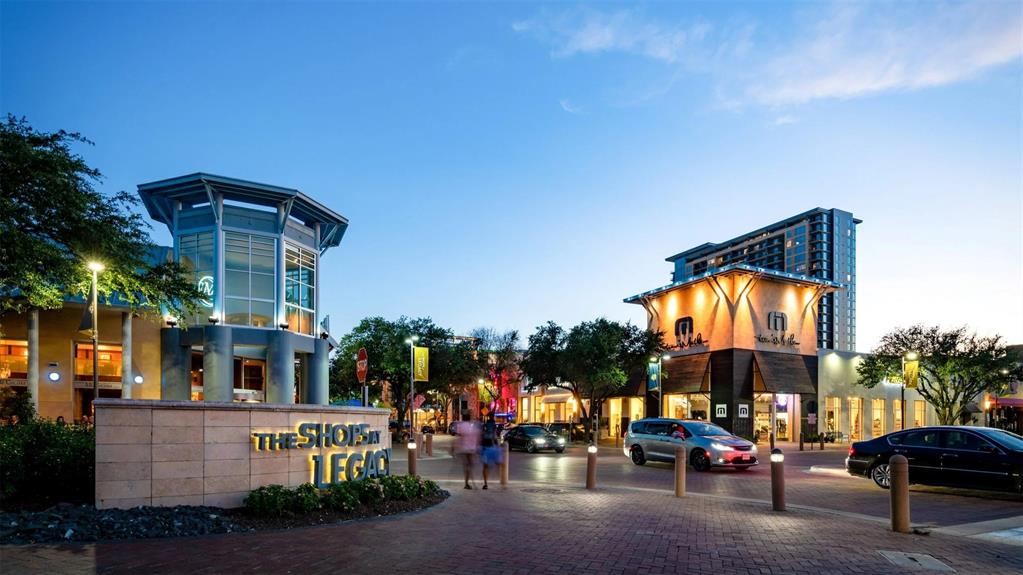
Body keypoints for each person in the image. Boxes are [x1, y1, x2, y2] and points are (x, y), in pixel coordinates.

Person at [454, 416, 480, 489]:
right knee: (470, 466)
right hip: (471, 449)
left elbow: (458, 437)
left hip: (464, 448)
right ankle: (470, 482)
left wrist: (455, 447)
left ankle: (467, 483)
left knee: (466, 466)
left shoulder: (461, 426)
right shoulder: (473, 426)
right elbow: (477, 437)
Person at [479, 415, 502, 490]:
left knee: (486, 466)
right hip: (491, 447)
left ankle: (485, 483)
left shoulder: (485, 426)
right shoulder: (493, 427)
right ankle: (502, 481)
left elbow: (481, 437)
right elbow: (495, 438)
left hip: (485, 447)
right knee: (498, 464)